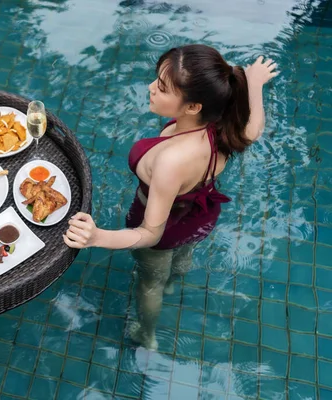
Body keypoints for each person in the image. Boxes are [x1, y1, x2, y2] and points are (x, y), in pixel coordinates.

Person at [63, 44, 278, 350]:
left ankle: (146, 335)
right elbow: (254, 128)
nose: (151, 89)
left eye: (162, 88)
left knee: (150, 282)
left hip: (161, 227)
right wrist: (254, 85)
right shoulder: (224, 127)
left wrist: (98, 237)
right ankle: (176, 280)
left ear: (193, 107)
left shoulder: (171, 163)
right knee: (181, 255)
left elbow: (150, 234)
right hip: (199, 219)